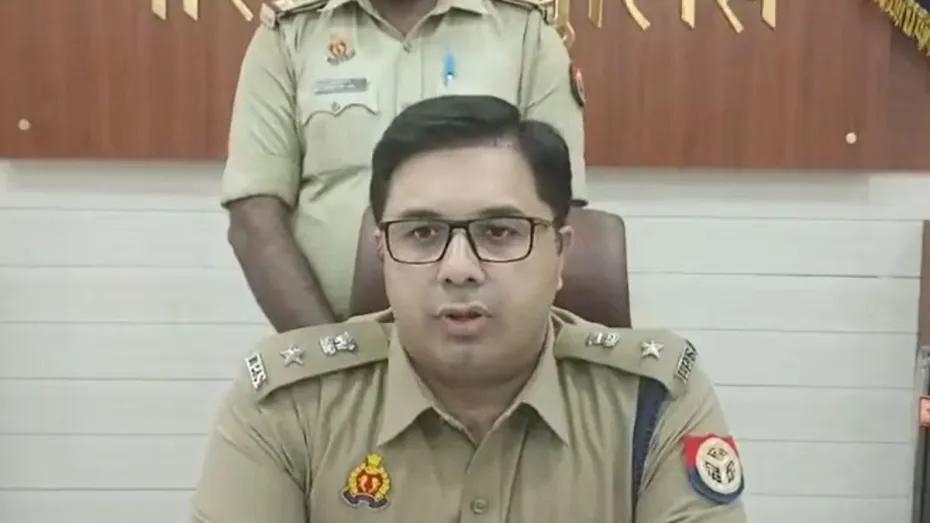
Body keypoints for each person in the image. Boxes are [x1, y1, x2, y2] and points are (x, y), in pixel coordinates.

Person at [191, 95, 746, 523]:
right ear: (383, 253)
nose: (458, 268)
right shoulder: (289, 405)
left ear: (560, 255)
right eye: (422, 233)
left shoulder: (653, 401)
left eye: (499, 231)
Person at [221, 0, 588, 331]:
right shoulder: (290, 32)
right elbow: (254, 214)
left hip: (490, 336)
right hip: (330, 329)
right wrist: (327, 354)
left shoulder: (524, 30)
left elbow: (559, 206)